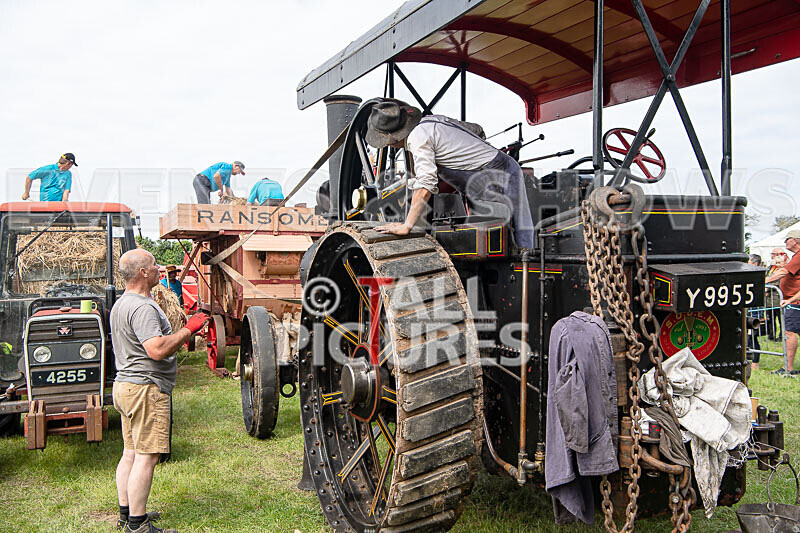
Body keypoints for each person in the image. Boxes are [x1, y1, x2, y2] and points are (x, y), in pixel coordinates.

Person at [111, 249, 209, 533]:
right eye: (153, 265)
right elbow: (156, 349)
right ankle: (138, 525)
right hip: (146, 389)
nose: (158, 269)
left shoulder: (122, 304)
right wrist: (190, 329)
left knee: (130, 452)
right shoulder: (142, 308)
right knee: (147, 456)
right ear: (143, 272)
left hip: (126, 386)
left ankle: (127, 513)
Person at [364, 99, 534, 249]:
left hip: (499, 170)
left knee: (519, 227)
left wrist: (406, 225)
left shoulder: (418, 138)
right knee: (502, 225)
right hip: (492, 167)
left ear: (392, 140)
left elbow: (425, 186)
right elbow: (477, 129)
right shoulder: (432, 120)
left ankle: (526, 258)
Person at [765, 229, 800, 375]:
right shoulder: (795, 257)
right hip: (793, 301)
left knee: (789, 332)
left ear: (796, 240)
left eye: (787, 239)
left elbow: (783, 272)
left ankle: (788, 368)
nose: (785, 242)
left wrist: (764, 280)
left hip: (794, 302)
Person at [748, 254, 763, 369]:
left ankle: (755, 362)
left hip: (755, 312)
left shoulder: (758, 275)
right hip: (748, 311)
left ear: (755, 264)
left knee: (752, 338)